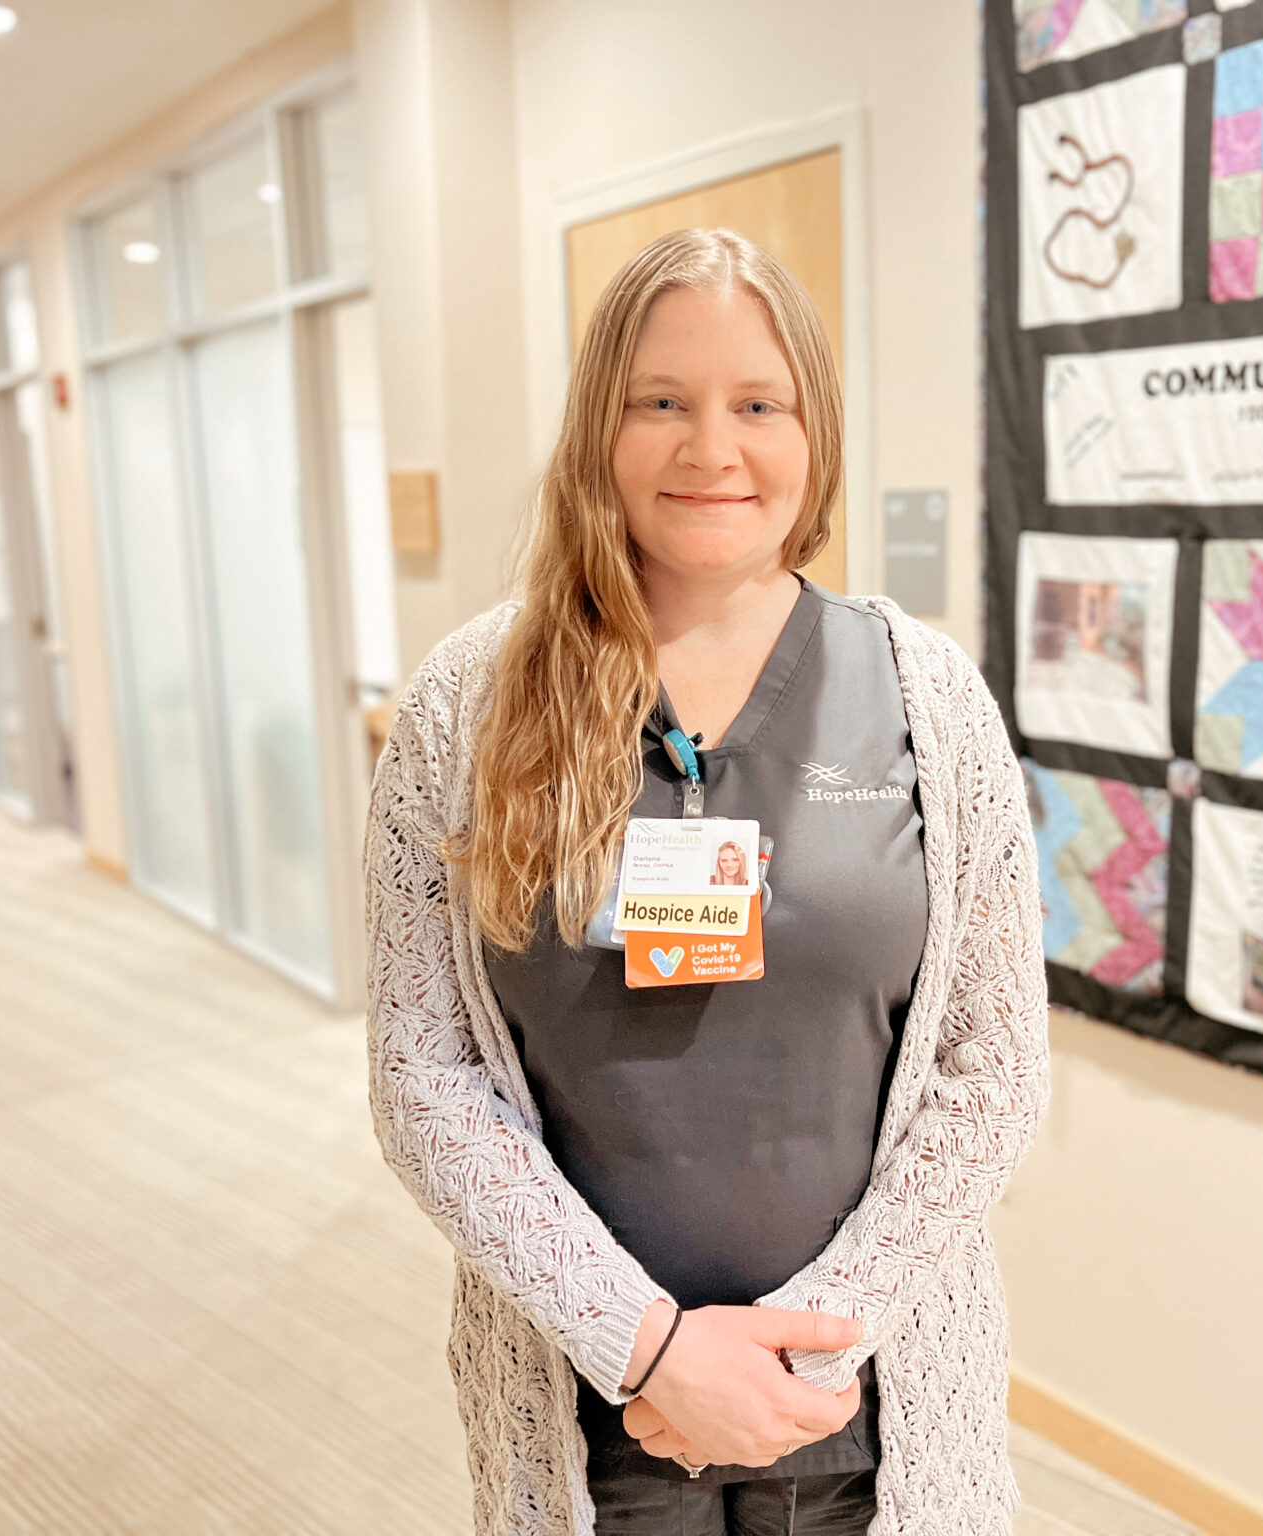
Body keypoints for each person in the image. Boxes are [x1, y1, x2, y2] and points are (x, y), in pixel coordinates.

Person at [363, 227, 1049, 1536]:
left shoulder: (928, 700)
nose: (711, 449)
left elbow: (994, 1064)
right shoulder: (467, 703)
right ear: (598, 430)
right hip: (591, 1416)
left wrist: (805, 1355)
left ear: (814, 432)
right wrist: (648, 1349)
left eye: (757, 404)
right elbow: (420, 1072)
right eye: (661, 403)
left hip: (866, 1413)